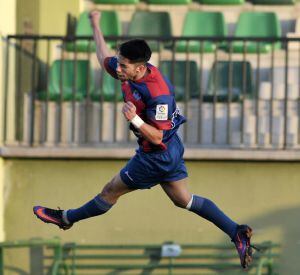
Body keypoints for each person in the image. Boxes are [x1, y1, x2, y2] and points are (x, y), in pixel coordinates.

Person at [33, 10, 256, 268]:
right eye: (119, 62)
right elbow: (103, 56)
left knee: (110, 191)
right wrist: (96, 25)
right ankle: (235, 231)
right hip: (169, 150)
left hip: (156, 154)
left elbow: (157, 134)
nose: (118, 68)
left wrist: (135, 120)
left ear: (140, 68)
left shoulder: (157, 92)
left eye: (123, 65)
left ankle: (66, 218)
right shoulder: (128, 71)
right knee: (183, 199)